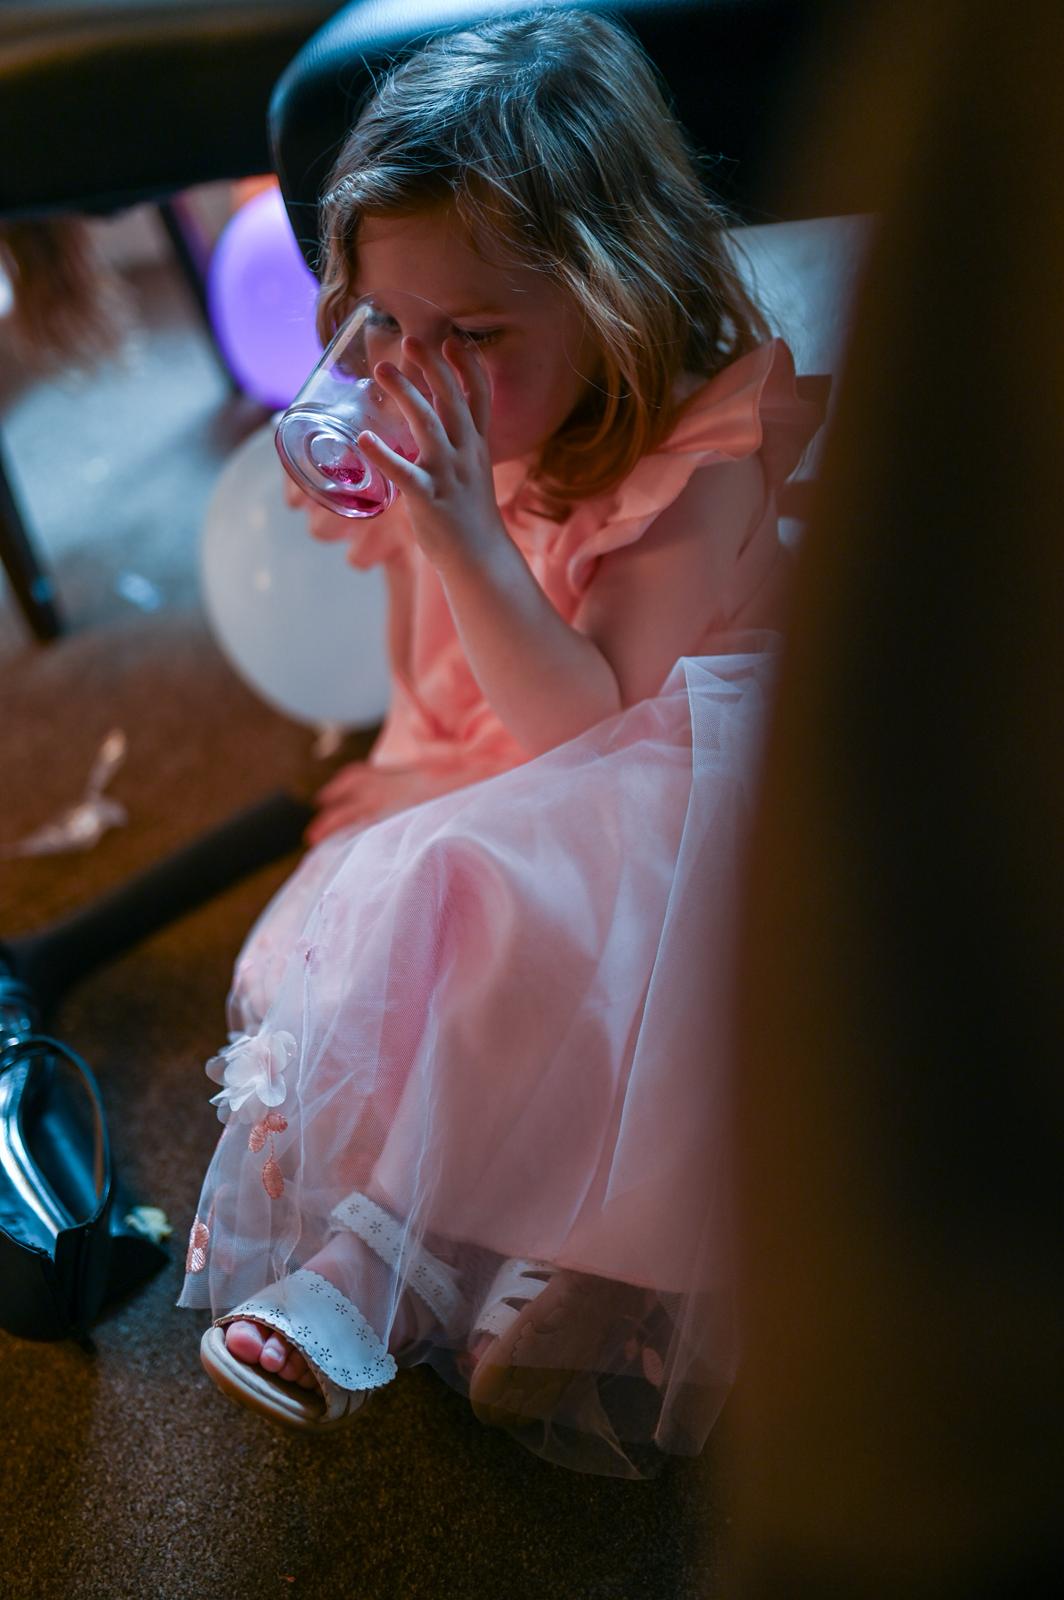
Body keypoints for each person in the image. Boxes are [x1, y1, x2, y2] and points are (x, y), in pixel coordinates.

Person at [178, 5, 823, 1479]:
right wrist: (392, 530)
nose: (419, 374)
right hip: (492, 774)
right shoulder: (445, 428)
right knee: (347, 959)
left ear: (616, 299)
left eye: (472, 337)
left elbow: (593, 737)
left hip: (651, 811)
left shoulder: (696, 461)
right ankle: (491, 1249)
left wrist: (466, 539)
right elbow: (445, 677)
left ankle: (414, 1260)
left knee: (499, 920)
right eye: (384, 328)